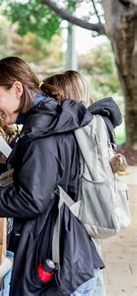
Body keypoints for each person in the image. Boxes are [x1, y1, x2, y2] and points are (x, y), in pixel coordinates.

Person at [0, 57, 104, 295]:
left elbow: (31, 200)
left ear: (17, 89)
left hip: (61, 264)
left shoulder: (43, 132)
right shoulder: (50, 122)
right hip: (67, 255)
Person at [43, 70, 123, 296]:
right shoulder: (98, 123)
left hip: (80, 211)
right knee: (93, 269)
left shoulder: (80, 130)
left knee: (84, 271)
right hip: (94, 208)